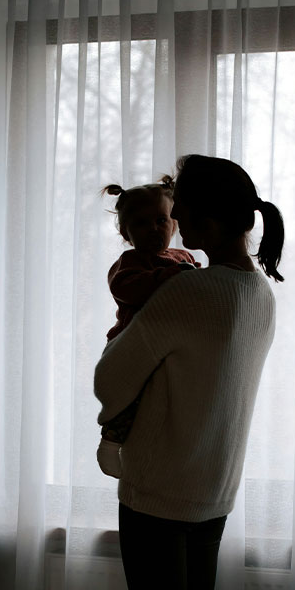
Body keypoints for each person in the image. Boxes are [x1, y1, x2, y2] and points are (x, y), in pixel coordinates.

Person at [93, 154, 284, 590]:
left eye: (181, 211)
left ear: (204, 219)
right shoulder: (259, 292)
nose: (174, 221)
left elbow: (109, 382)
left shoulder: (189, 291)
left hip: (158, 491)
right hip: (212, 489)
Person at [97, 177, 201, 479]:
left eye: (160, 220)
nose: (153, 228)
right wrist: (168, 277)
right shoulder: (130, 262)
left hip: (166, 346)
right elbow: (126, 288)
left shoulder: (183, 258)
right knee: (128, 397)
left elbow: (199, 287)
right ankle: (111, 441)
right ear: (125, 233)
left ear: (174, 224)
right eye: (141, 223)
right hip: (129, 343)